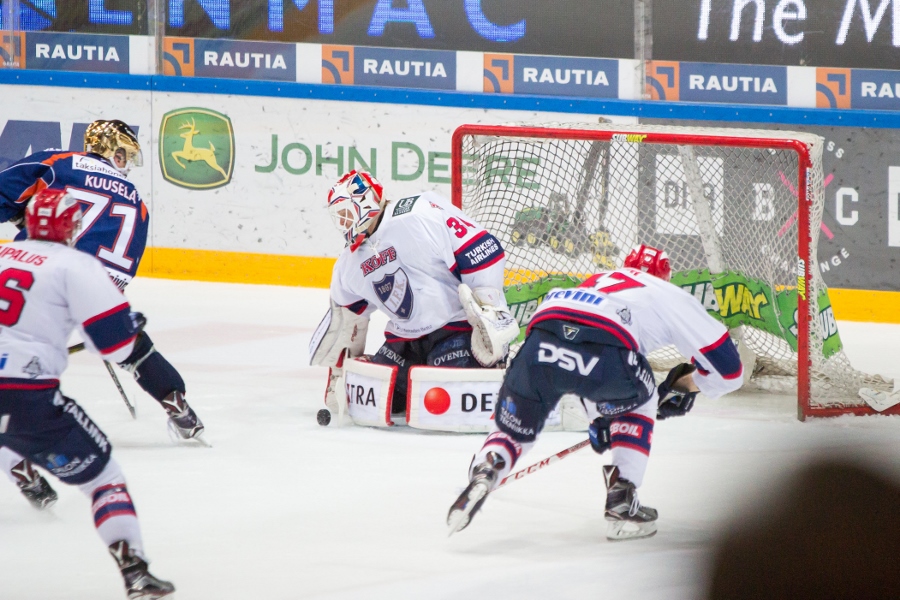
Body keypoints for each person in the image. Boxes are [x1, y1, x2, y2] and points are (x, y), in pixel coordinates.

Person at [447, 245, 744, 540]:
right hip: (606, 344)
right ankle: (622, 501)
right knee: (643, 400)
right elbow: (730, 372)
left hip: (541, 335)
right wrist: (686, 386)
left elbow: (578, 353)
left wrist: (599, 419)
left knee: (514, 428)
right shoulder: (668, 294)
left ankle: (487, 468)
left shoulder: (597, 281)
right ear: (664, 277)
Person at [0, 119, 205, 512]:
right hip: (99, 291)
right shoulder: (139, 204)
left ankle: (19, 461)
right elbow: (124, 266)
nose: (127, 159)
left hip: (36, 281)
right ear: (114, 149)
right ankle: (175, 401)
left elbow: (4, 192)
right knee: (128, 344)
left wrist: (19, 218)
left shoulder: (61, 162)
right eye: (125, 151)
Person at [0, 188, 174, 599]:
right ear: (69, 227)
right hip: (26, 396)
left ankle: (16, 463)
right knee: (105, 480)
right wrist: (127, 326)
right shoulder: (75, 265)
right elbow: (113, 348)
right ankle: (135, 572)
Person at [309, 170, 520, 417]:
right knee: (377, 397)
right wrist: (339, 373)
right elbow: (347, 321)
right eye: (339, 218)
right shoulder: (348, 264)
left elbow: (483, 250)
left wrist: (489, 316)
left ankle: (514, 378)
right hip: (405, 341)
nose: (343, 224)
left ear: (365, 201)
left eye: (346, 214)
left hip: (456, 328)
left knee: (449, 397)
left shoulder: (418, 214)